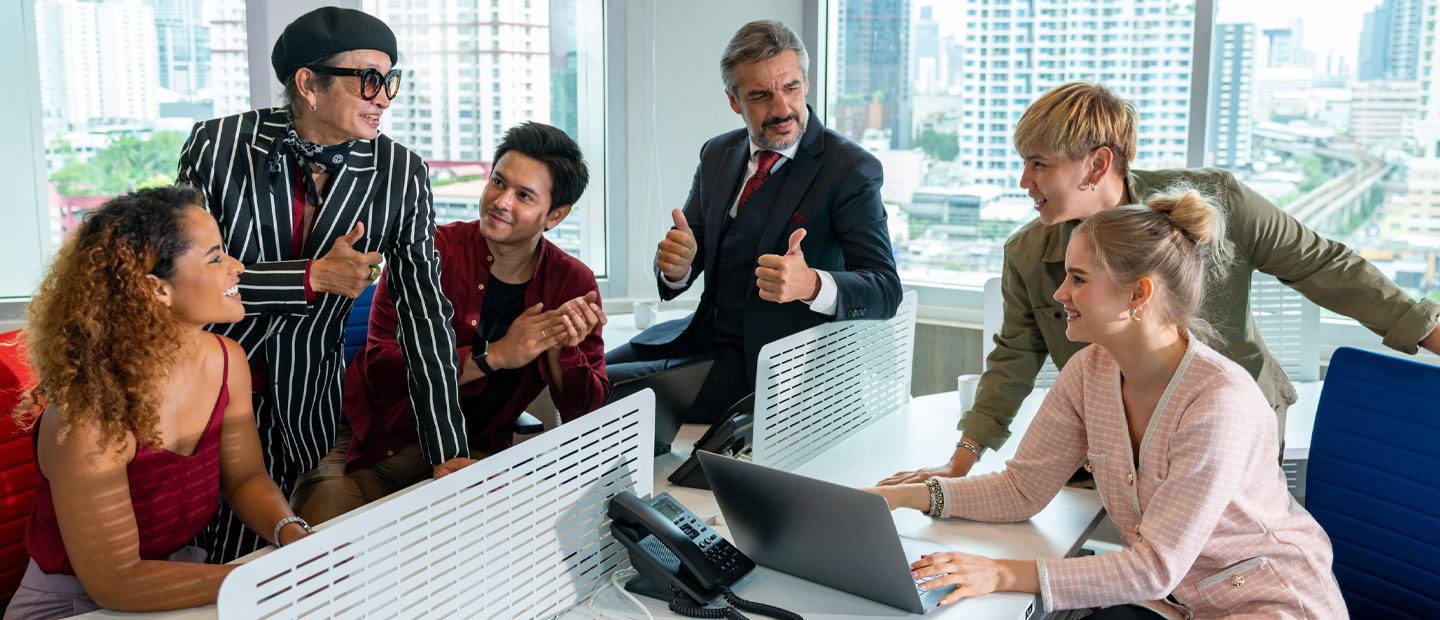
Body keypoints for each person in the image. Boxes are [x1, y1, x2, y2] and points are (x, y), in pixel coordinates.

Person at [882, 82, 1440, 484]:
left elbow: (1327, 266)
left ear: (1097, 165)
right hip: (1117, 437)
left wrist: (1430, 332)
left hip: (1228, 423)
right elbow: (1015, 355)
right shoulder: (1029, 253)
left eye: (1039, 164)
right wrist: (962, 456)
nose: (1024, 181)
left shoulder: (1218, 201)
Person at [866, 190, 1347, 618]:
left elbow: (1154, 566)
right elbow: (1021, 489)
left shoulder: (1219, 403)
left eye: (1078, 278)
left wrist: (1000, 573)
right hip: (1175, 601)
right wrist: (906, 496)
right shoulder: (1090, 370)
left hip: (1266, 604)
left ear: (1139, 294)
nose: (1059, 294)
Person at [176, 7, 472, 562]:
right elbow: (184, 280)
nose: (385, 97)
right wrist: (311, 277)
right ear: (308, 83)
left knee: (256, 563)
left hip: (305, 400)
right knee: (188, 554)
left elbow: (425, 315)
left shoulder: (400, 171)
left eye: (392, 80)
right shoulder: (218, 146)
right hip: (203, 392)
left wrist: (447, 450)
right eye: (369, 79)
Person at [4, 188, 312, 620]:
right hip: (79, 604)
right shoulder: (92, 412)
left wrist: (292, 534)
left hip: (177, 578)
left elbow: (244, 478)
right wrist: (260, 579)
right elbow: (117, 582)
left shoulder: (227, 360)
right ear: (157, 289)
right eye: (215, 257)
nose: (236, 267)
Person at [289, 123, 610, 524]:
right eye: (498, 182)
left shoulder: (571, 281)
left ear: (556, 215)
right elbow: (380, 369)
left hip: (472, 456)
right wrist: (493, 357)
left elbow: (586, 409)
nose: (501, 201)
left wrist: (564, 349)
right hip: (374, 450)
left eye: (524, 196)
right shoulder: (429, 252)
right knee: (320, 561)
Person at [605, 20, 902, 423]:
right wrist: (677, 268)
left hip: (769, 370)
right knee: (583, 375)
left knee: (598, 394)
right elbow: (690, 252)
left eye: (791, 88)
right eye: (761, 95)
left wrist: (811, 284)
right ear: (733, 100)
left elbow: (886, 289)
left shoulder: (850, 169)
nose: (782, 109)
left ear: (806, 84)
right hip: (699, 337)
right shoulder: (717, 153)